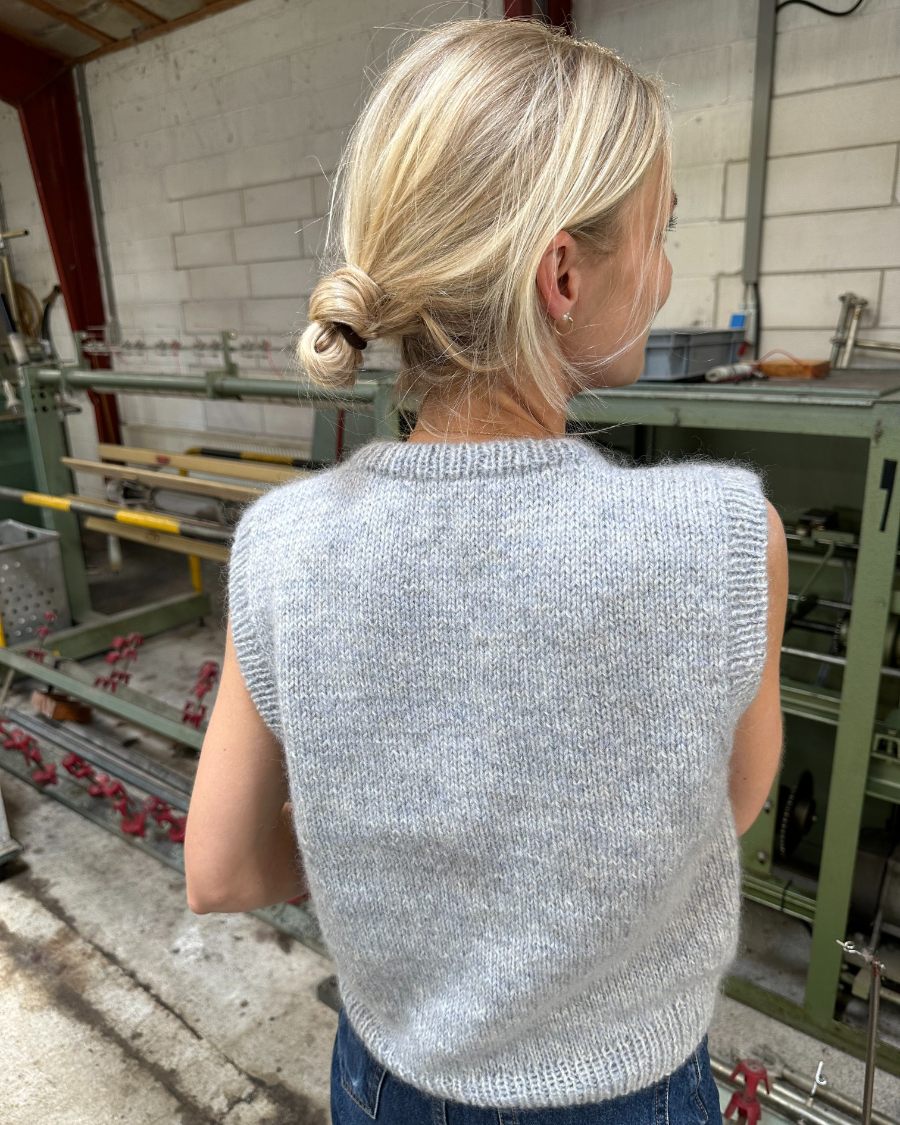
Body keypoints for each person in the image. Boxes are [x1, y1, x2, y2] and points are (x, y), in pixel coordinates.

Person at [184, 17, 788, 1125]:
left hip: (386, 1083)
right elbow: (731, 803)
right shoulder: (723, 539)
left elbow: (221, 870)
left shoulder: (284, 544)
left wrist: (394, 873)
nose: (664, 274)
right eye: (657, 233)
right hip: (626, 1093)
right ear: (562, 272)